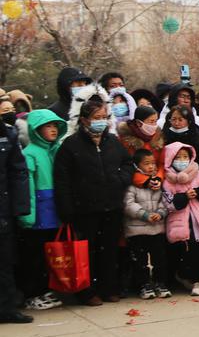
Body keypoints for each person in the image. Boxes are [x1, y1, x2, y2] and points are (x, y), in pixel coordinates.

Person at [53, 99, 132, 305]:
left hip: (112, 205)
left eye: (104, 117)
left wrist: (120, 179)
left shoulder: (113, 141)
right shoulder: (71, 145)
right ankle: (87, 291)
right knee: (87, 252)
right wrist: (67, 209)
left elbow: (128, 165)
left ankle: (109, 288)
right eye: (96, 118)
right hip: (85, 209)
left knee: (110, 250)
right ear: (84, 120)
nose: (101, 122)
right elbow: (62, 180)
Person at [16, 109, 67, 311]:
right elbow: (26, 187)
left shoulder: (55, 150)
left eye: (55, 125)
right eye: (48, 126)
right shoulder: (30, 154)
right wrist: (27, 216)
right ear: (36, 129)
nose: (53, 130)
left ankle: (44, 288)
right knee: (35, 256)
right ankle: (33, 292)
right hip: (38, 213)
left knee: (50, 254)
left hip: (53, 211)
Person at [162, 142, 199, 296]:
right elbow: (167, 202)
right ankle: (188, 278)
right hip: (182, 224)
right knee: (187, 253)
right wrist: (183, 197)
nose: (182, 160)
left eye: (185, 157)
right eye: (178, 157)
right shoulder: (167, 181)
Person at [123, 149, 171, 299]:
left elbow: (165, 202)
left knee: (160, 259)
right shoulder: (132, 184)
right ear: (137, 166)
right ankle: (144, 285)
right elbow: (128, 204)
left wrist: (161, 213)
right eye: (146, 164)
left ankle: (160, 283)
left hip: (157, 229)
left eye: (153, 163)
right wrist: (144, 214)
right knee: (140, 261)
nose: (151, 167)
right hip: (137, 230)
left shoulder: (158, 182)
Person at [0, 104, 30, 323]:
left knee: (5, 261)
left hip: (4, 208)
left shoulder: (6, 133)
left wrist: (19, 208)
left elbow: (18, 171)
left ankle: (7, 308)